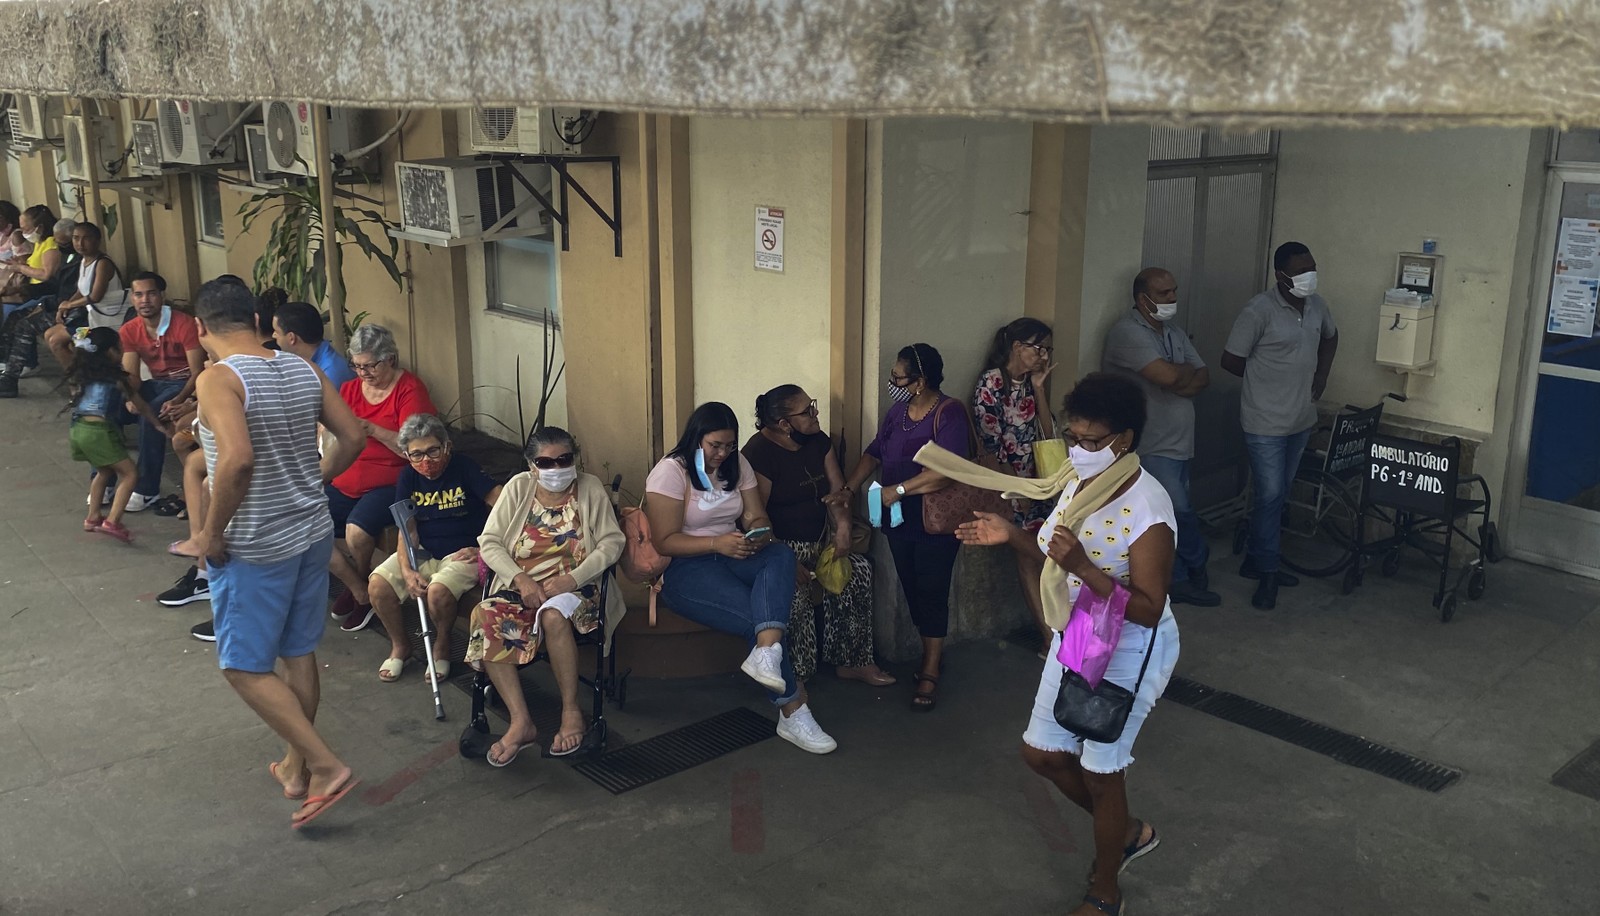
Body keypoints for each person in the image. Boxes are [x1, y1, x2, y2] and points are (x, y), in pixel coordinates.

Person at [936, 373, 1180, 916]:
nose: (1079, 450)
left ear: (1125, 439)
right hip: (1081, 633)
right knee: (1042, 754)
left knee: (1100, 770)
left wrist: (1084, 569)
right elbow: (1052, 552)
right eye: (1074, 437)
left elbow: (1145, 606)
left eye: (1092, 441)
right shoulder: (1077, 479)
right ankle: (1126, 833)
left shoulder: (1149, 509)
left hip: (1130, 647)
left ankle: (1106, 891)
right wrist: (1013, 536)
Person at [189, 277, 368, 828]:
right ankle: (296, 769)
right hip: (311, 531)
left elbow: (236, 460)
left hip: (256, 543)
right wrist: (314, 480)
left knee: (242, 666)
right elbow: (355, 438)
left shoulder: (218, 379)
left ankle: (324, 764)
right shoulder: (300, 366)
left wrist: (210, 534)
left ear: (201, 328)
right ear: (260, 321)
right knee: (297, 651)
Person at [646, 402, 837, 753]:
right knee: (759, 618)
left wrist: (758, 530)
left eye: (729, 445)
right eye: (715, 445)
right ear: (696, 439)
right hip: (686, 567)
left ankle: (766, 654)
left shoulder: (738, 464)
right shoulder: (671, 472)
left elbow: (755, 515)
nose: (722, 454)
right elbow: (665, 540)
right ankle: (793, 711)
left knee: (779, 553)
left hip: (735, 551)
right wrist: (717, 542)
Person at [467, 426, 625, 762]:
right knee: (486, 615)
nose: (556, 469)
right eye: (545, 462)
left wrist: (572, 579)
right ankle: (521, 721)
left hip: (579, 590)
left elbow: (613, 543)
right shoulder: (518, 488)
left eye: (563, 460)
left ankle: (571, 712)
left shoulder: (590, 488)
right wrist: (520, 579)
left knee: (553, 615)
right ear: (531, 465)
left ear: (575, 459)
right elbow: (490, 542)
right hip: (522, 588)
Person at [835, 343, 969, 711]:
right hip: (897, 520)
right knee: (911, 586)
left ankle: (930, 668)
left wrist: (901, 489)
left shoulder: (949, 412)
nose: (891, 381)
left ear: (920, 380)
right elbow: (875, 451)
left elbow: (948, 470)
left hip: (933, 521)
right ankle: (932, 650)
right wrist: (849, 488)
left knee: (932, 589)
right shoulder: (898, 412)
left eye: (897, 375)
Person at [743, 385, 892, 686]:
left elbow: (838, 492)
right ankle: (796, 674)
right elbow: (756, 517)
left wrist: (844, 531)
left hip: (821, 540)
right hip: (778, 546)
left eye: (813, 405)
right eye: (808, 410)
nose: (816, 413)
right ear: (785, 425)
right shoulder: (758, 452)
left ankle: (854, 661)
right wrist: (783, 558)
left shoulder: (818, 441)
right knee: (792, 592)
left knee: (858, 571)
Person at [1221, 242, 1339, 610]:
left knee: (1278, 495)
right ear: (1281, 275)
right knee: (1270, 496)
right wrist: (1267, 378)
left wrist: (1320, 374)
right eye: (1302, 271)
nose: (1309, 277)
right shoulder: (1259, 310)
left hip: (1301, 419)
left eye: (1313, 268)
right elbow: (1231, 360)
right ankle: (1269, 571)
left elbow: (1331, 338)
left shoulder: (1318, 306)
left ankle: (1257, 560)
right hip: (1264, 421)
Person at [1102, 267, 1220, 608]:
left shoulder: (1174, 333)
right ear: (1144, 299)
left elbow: (1204, 376)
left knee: (1178, 509)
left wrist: (1177, 376)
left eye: (1174, 291)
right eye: (1166, 293)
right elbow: (1170, 377)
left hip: (1180, 441)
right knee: (1173, 512)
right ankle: (1186, 572)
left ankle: (1188, 566)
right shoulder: (1128, 332)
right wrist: (1180, 374)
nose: (1173, 299)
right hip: (1150, 444)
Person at [368, 413, 501, 683]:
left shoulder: (464, 467)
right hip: (424, 550)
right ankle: (401, 646)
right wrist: (406, 570)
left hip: (463, 553)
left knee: (438, 593)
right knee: (378, 586)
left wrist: (484, 547)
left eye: (432, 451)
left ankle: (441, 645)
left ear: (446, 446)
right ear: (406, 455)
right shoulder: (407, 477)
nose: (426, 461)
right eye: (416, 455)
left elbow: (503, 505)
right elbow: (407, 531)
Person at [326, 324, 437, 631]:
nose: (363, 373)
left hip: (391, 480)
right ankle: (359, 588)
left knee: (357, 533)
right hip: (346, 477)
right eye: (357, 366)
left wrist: (373, 429)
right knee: (306, 520)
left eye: (371, 365)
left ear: (390, 359)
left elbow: (418, 450)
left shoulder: (409, 390)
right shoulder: (349, 389)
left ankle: (361, 586)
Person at [974, 317, 1058, 649]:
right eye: (1039, 349)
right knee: (1028, 556)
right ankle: (1050, 638)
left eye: (1048, 350)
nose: (1044, 357)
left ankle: (1056, 634)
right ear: (1017, 347)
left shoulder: (1030, 383)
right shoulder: (992, 383)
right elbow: (990, 446)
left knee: (1044, 551)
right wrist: (1015, 492)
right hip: (1012, 485)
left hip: (1040, 481)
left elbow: (1049, 435)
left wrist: (1039, 388)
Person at [66, 327, 169, 542]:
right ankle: (112, 521)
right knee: (131, 474)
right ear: (112, 352)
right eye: (120, 347)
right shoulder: (118, 379)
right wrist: (157, 425)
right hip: (99, 432)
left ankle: (92, 517)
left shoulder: (81, 376)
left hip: (78, 429)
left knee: (104, 471)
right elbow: (141, 406)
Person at [114, 272, 205, 512]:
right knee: (107, 405)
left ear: (161, 296)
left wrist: (179, 400)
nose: (145, 300)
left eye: (151, 293)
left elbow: (197, 373)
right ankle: (105, 481)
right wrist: (130, 396)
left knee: (151, 414)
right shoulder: (129, 330)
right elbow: (131, 375)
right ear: (132, 298)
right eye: (139, 294)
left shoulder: (184, 323)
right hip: (156, 383)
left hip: (184, 384)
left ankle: (147, 489)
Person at [0, 218, 78, 387]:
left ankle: (14, 375)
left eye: (63, 242)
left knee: (26, 325)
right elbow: (53, 286)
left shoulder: (82, 261)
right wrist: (19, 290)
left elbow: (78, 293)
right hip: (57, 304)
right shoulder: (68, 257)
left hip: (73, 311)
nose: (59, 245)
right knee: (15, 315)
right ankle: (7, 366)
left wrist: (63, 306)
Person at [42, 222, 126, 369]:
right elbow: (82, 290)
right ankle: (78, 376)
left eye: (86, 238)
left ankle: (78, 381)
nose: (80, 243)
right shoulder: (84, 260)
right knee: (49, 334)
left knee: (56, 341)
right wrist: (64, 306)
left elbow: (95, 296)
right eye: (75, 238)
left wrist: (70, 305)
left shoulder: (102, 263)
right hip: (90, 316)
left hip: (103, 319)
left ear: (97, 241)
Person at [272, 300, 356, 388]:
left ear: (291, 338)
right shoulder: (315, 362)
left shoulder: (329, 374)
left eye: (276, 331)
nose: (273, 335)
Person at [0, 205, 63, 304]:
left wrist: (21, 268)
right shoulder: (39, 242)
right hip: (30, 289)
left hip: (42, 292)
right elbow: (36, 265)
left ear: (40, 228)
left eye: (26, 229)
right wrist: (19, 264)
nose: (23, 233)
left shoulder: (50, 243)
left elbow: (46, 274)